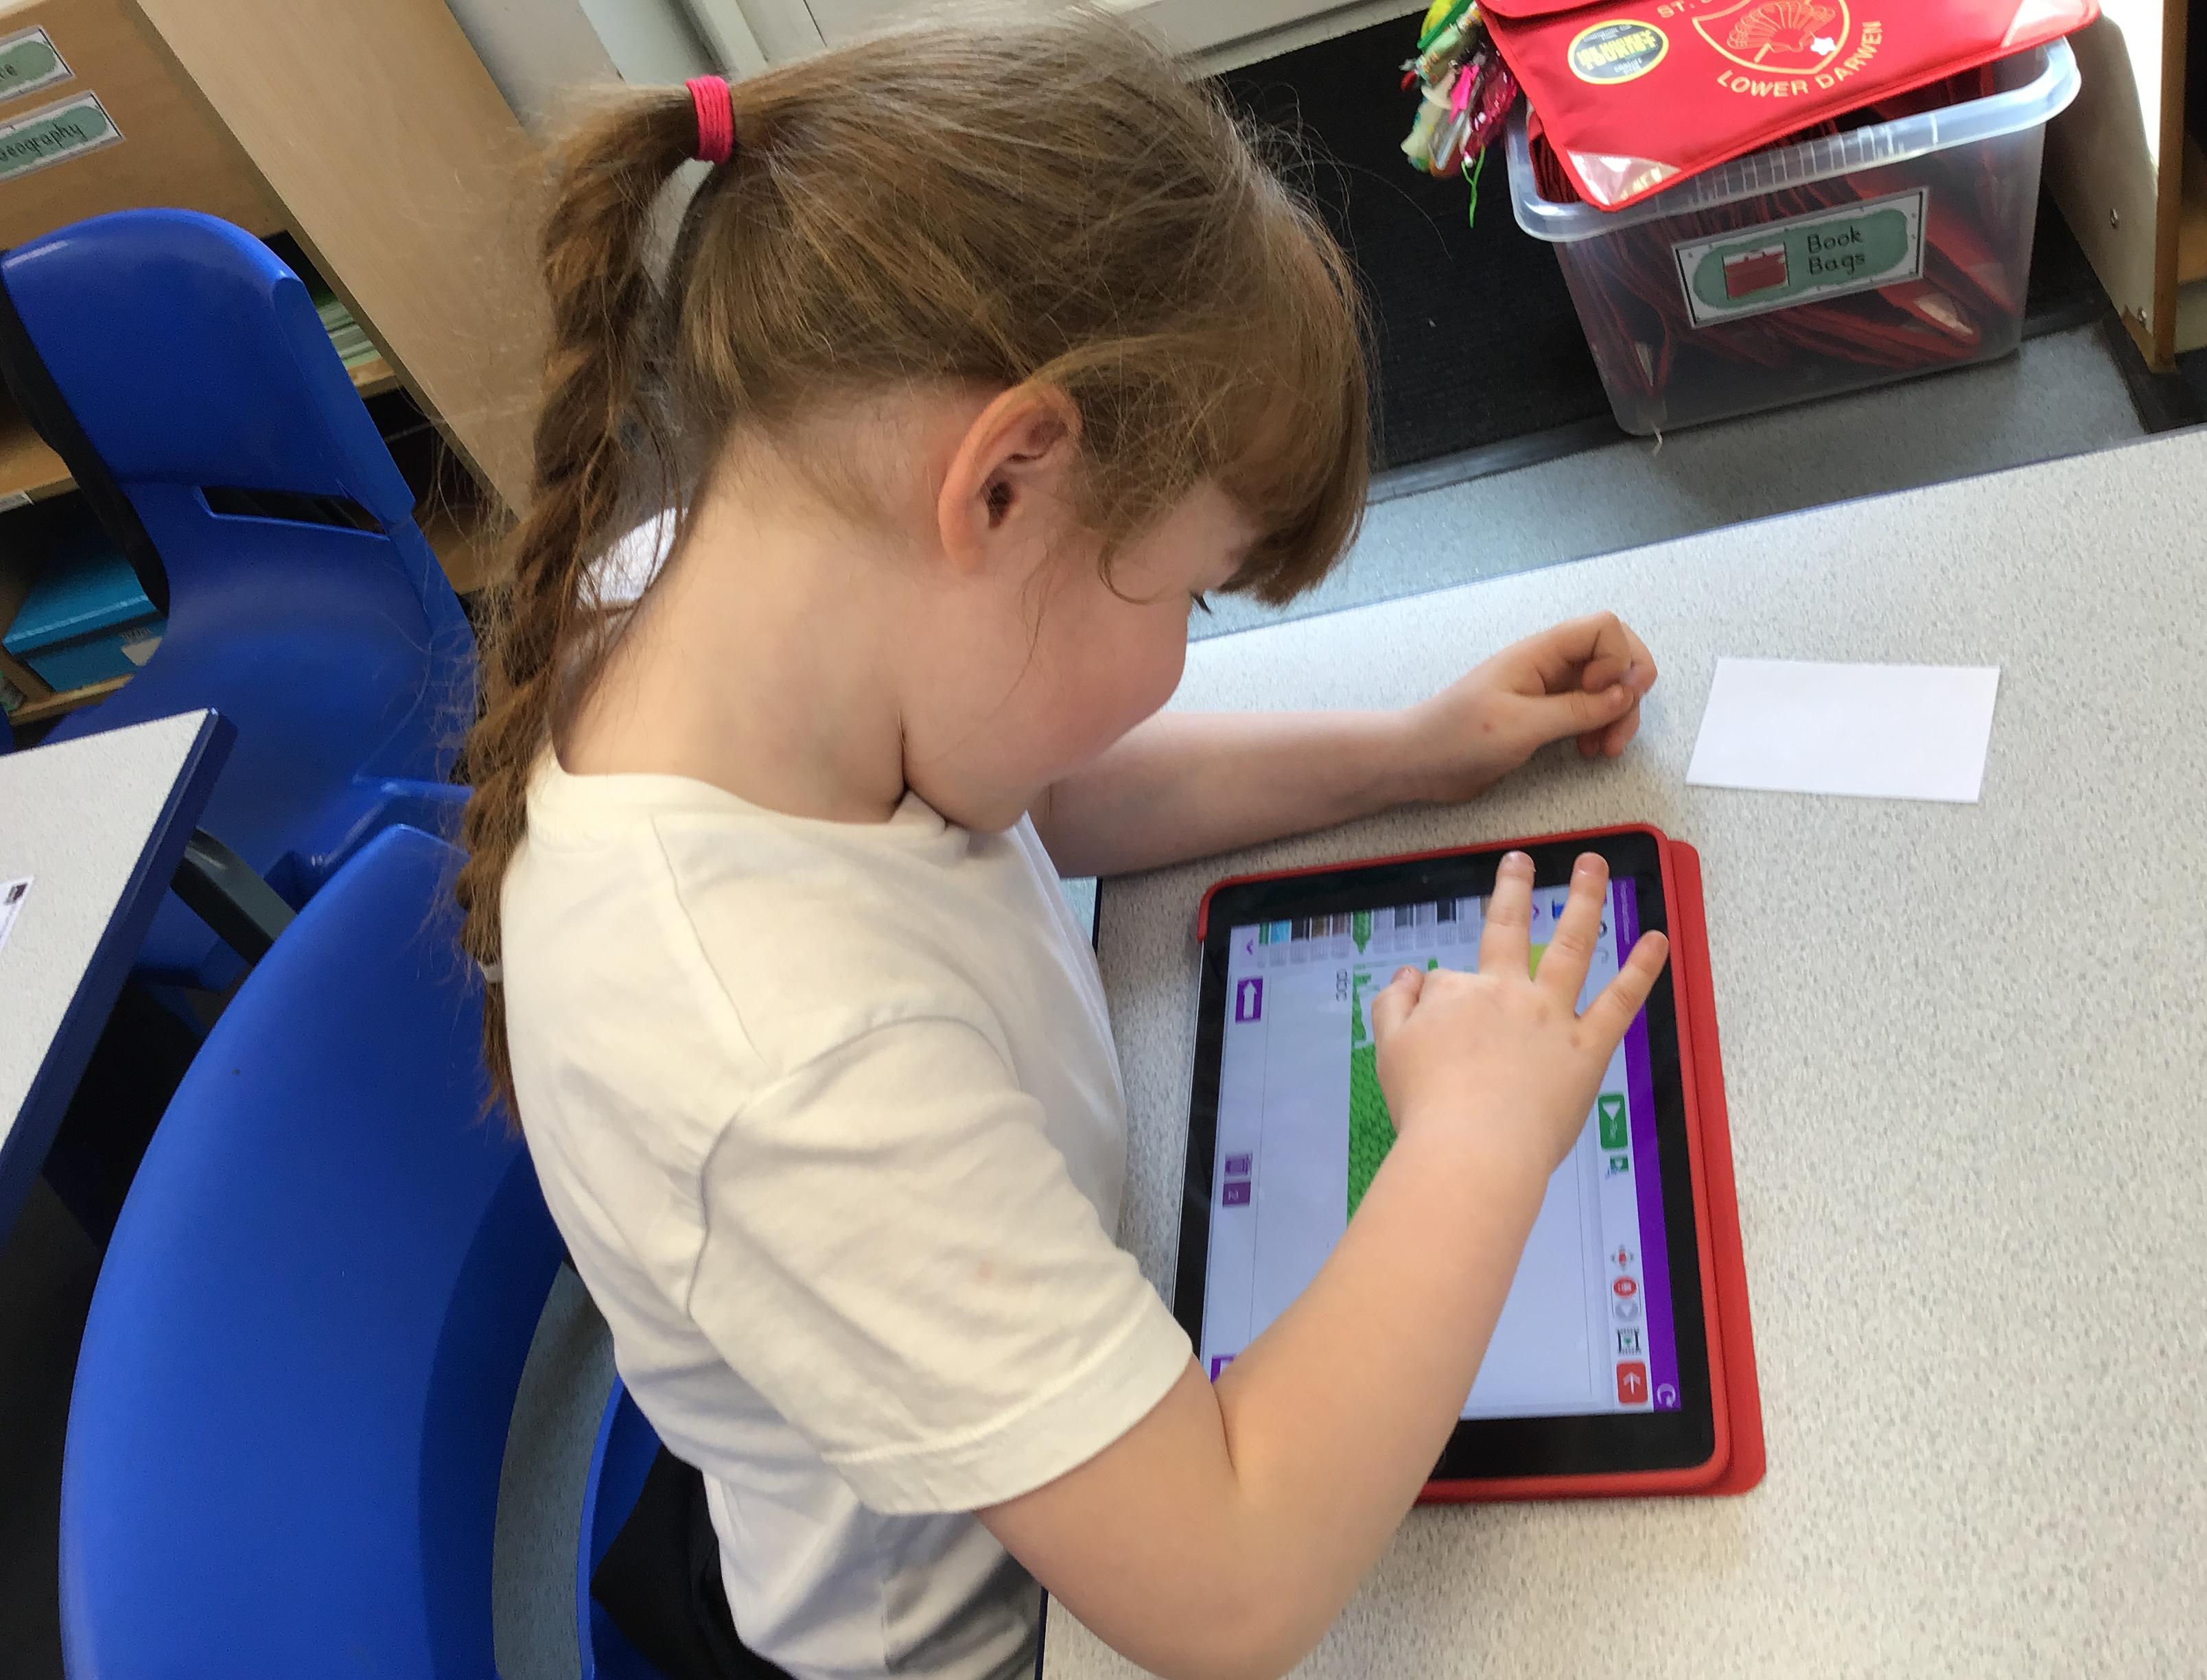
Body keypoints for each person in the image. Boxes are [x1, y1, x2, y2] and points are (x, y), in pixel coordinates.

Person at [455, 10, 1668, 1679]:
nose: (1177, 653)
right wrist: (1474, 1134)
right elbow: (1231, 1588)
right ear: (1007, 483)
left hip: (1059, 1358)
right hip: (1001, 1633)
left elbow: (1050, 798)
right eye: (1187, 596)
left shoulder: (737, 602)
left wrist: (1407, 754)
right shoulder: (788, 1059)